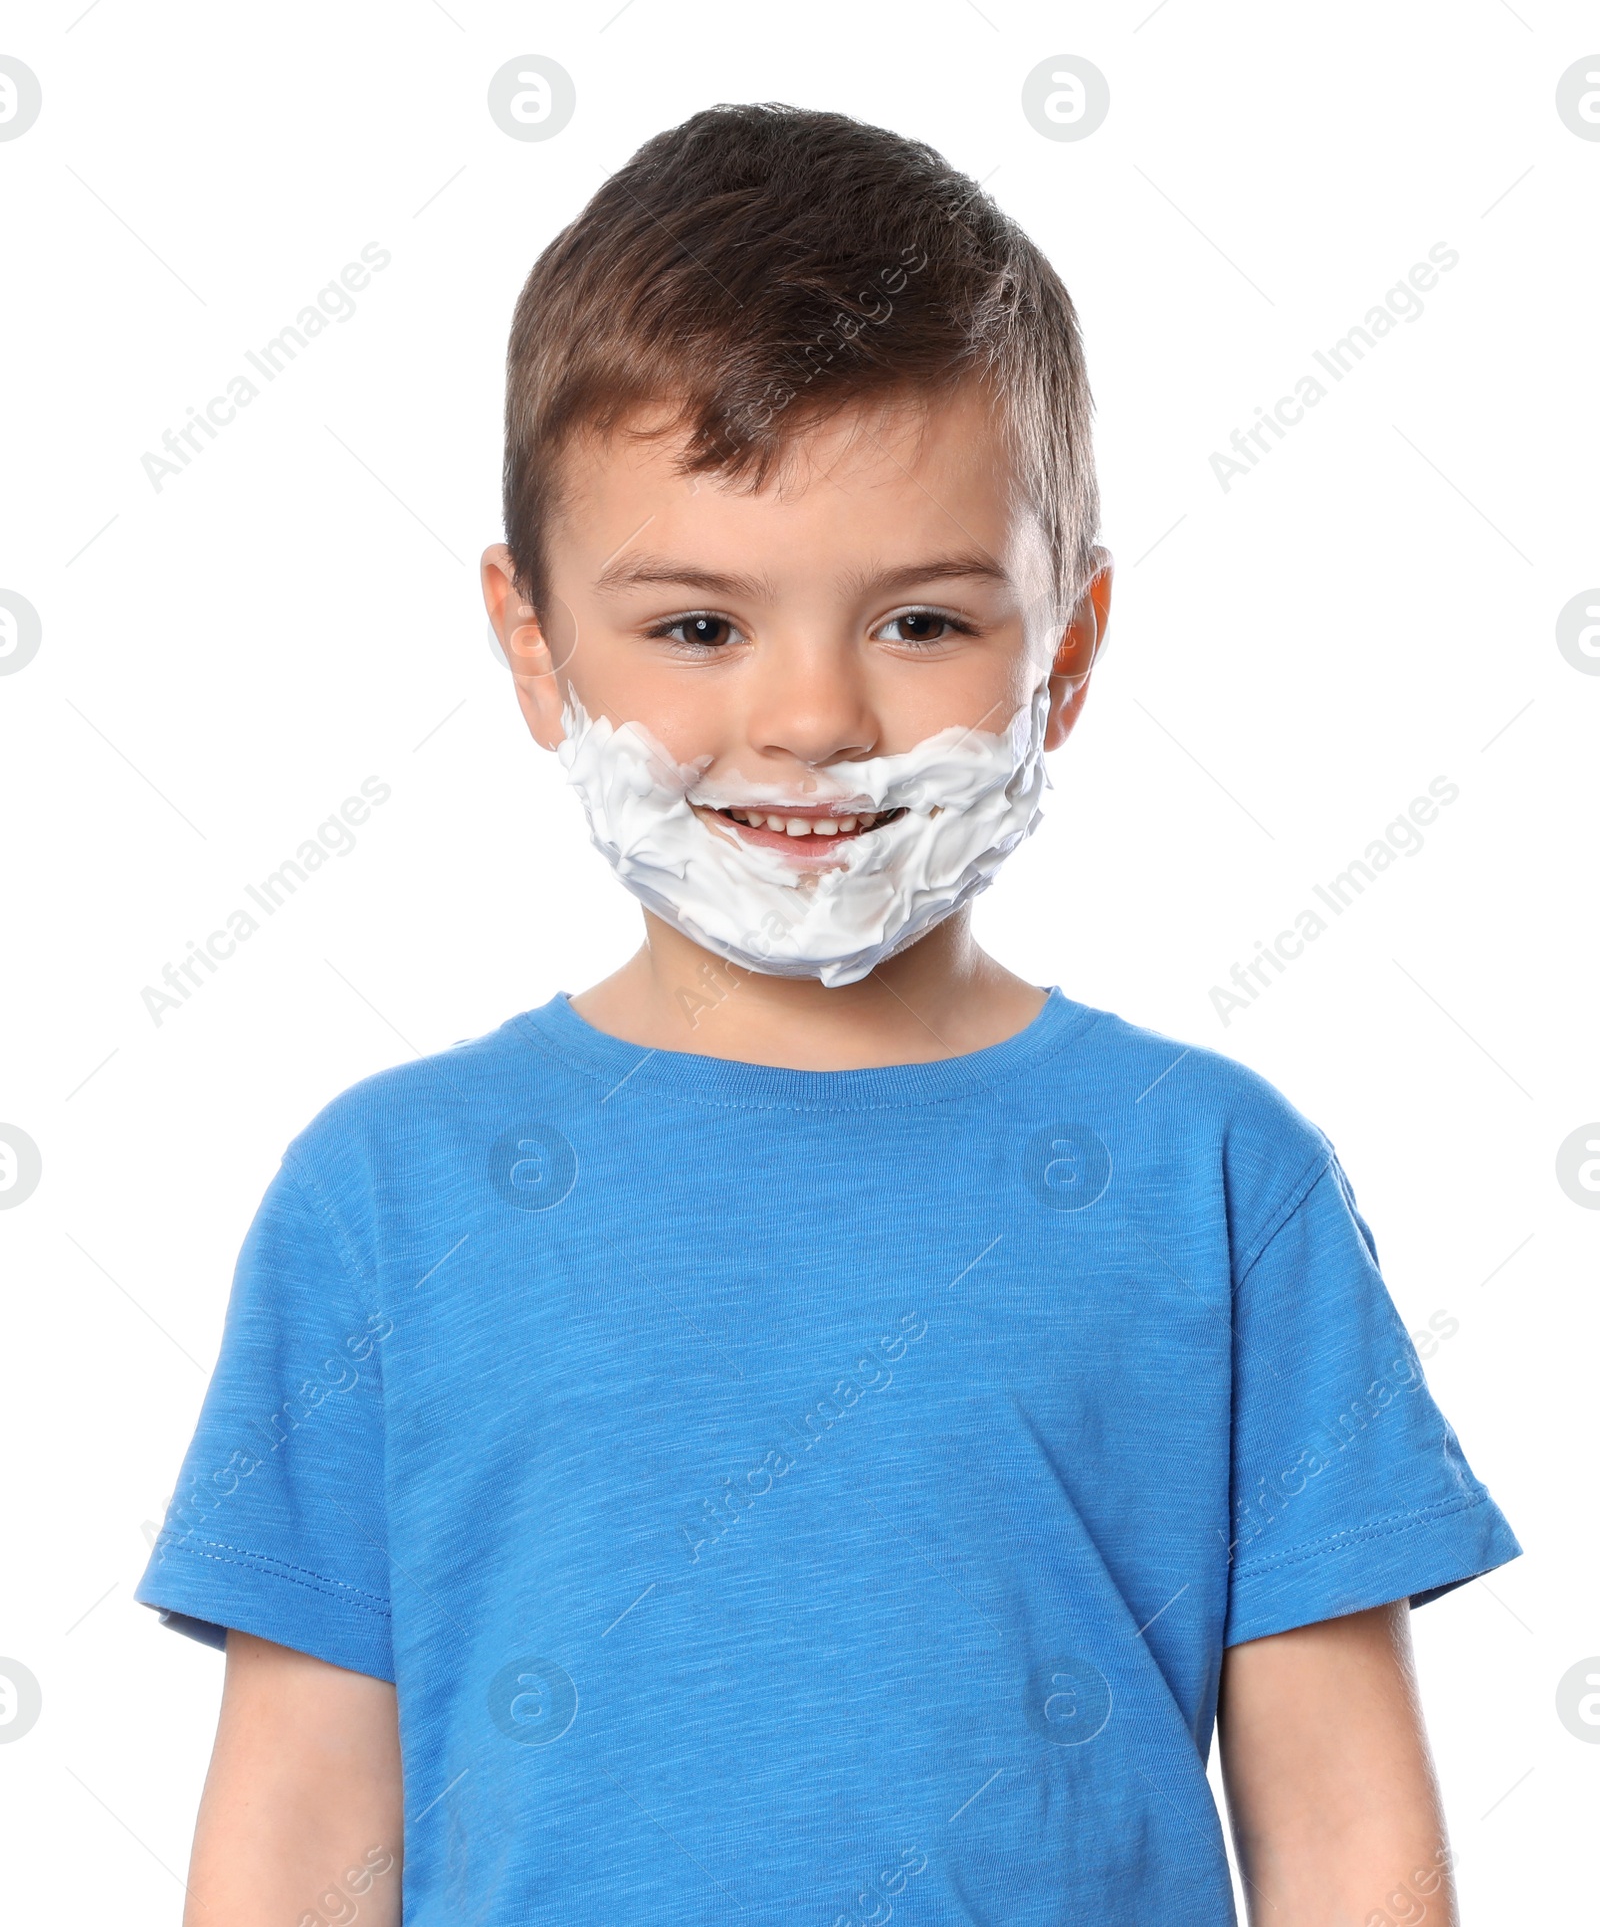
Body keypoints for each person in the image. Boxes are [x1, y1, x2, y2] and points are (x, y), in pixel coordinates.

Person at [136, 103, 1518, 1926]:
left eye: (924, 623)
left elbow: (1348, 1836)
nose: (812, 720)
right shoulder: (385, 1197)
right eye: (698, 626)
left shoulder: (1217, 1181)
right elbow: (299, 1832)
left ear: (1069, 649)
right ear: (536, 643)